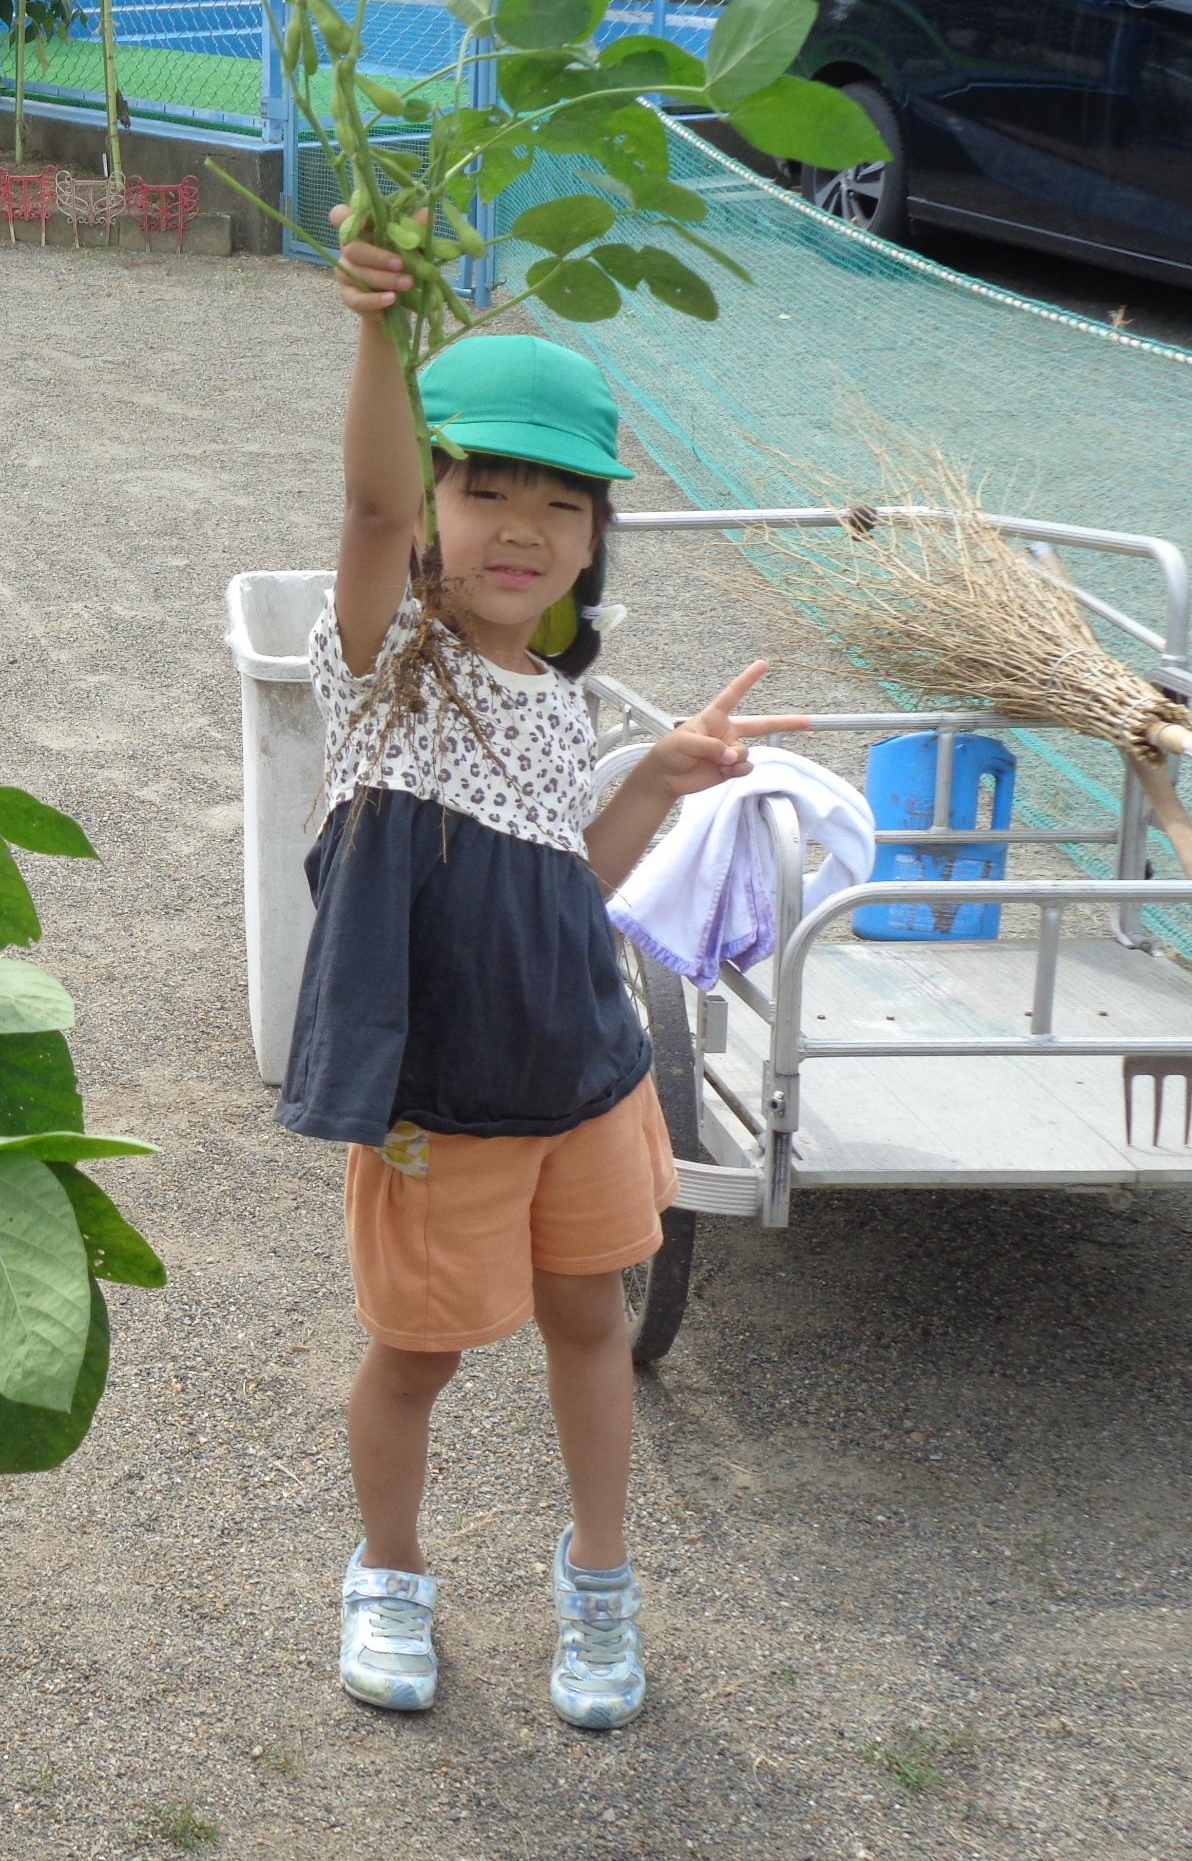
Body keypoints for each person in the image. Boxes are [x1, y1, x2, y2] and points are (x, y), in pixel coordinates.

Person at [284, 224, 807, 1730]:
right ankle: (389, 1574)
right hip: (443, 1101)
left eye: (558, 500)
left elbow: (570, 885)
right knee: (419, 1355)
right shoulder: (380, 668)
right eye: (484, 484)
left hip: (584, 1076)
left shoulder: (545, 707)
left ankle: (601, 1580)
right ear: (438, 504)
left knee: (592, 1324)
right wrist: (378, 331)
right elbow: (370, 502)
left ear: (591, 544)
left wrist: (659, 770)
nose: (518, 523)